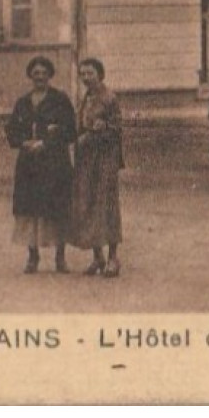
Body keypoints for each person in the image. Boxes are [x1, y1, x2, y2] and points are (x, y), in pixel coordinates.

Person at [3, 56, 77, 274]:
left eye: (44, 73)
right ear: (30, 76)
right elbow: (11, 129)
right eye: (36, 73)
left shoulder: (60, 100)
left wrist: (46, 143)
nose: (40, 77)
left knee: (57, 208)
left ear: (50, 75)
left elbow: (70, 131)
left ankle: (60, 258)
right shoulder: (23, 103)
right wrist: (24, 142)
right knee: (29, 208)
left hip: (54, 163)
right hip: (29, 165)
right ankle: (32, 257)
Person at [70, 57, 124, 278]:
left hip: (105, 160)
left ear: (100, 74)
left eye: (90, 73)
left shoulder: (109, 98)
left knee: (107, 205)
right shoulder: (86, 98)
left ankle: (113, 258)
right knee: (90, 204)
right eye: (82, 74)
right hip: (86, 160)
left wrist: (101, 130)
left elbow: (117, 128)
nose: (85, 77)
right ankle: (97, 257)